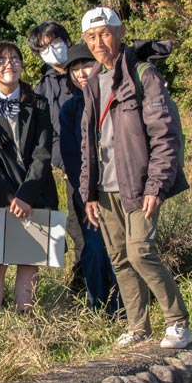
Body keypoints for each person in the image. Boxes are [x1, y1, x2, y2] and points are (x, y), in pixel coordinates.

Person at [78, 6, 192, 349]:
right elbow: (89, 143)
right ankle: (138, 326)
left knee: (141, 250)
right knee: (119, 257)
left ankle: (178, 322)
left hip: (139, 184)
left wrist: (157, 184)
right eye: (92, 37)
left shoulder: (144, 75)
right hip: (105, 186)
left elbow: (165, 135)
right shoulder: (92, 82)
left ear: (121, 32)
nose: (100, 42)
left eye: (106, 33)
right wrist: (89, 193)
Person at [0, 41, 57, 310]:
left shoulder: (38, 104)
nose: (10, 64)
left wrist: (26, 195)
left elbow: (43, 153)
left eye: (15, 59)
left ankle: (24, 321)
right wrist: (10, 197)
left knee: (30, 261)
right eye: (2, 60)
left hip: (35, 191)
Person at [58, 44, 119, 315]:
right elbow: (71, 157)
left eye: (86, 64)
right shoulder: (70, 109)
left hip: (118, 186)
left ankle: (125, 308)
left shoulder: (114, 96)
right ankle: (99, 308)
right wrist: (88, 192)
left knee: (120, 249)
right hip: (85, 191)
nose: (81, 72)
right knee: (93, 250)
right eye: (75, 68)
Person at [27, 21, 76, 171]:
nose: (51, 50)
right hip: (73, 167)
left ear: (67, 40)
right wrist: (67, 163)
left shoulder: (92, 68)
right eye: (44, 48)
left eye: (54, 42)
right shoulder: (41, 90)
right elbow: (46, 135)